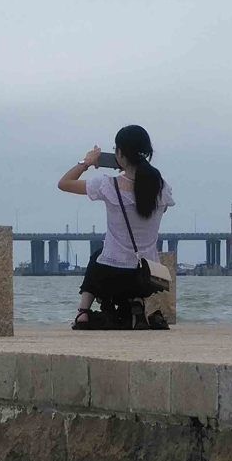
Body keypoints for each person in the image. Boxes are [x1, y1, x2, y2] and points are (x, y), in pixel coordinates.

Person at [57, 125, 173, 330]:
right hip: (147, 278)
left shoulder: (108, 185)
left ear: (119, 153)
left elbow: (64, 183)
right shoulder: (162, 187)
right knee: (112, 257)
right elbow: (160, 211)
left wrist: (87, 161)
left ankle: (83, 312)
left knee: (98, 255)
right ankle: (137, 303)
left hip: (112, 276)